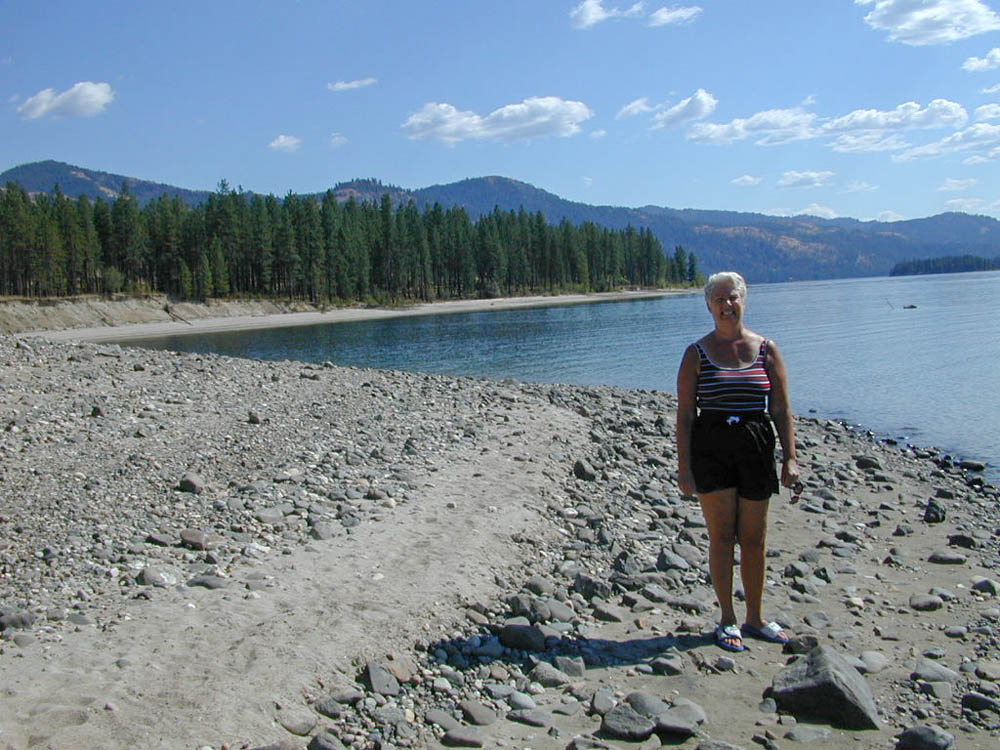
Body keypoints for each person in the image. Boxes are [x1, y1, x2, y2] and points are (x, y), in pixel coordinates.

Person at [675, 271, 800, 652]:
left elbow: (780, 408)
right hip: (711, 448)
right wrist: (684, 468)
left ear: (744, 300)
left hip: (755, 447)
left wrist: (790, 458)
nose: (727, 305)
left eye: (733, 298)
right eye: (719, 299)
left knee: (754, 538)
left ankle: (756, 617)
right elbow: (685, 415)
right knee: (722, 537)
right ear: (709, 306)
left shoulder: (767, 350)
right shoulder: (696, 354)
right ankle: (727, 617)